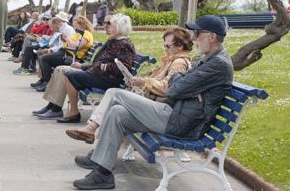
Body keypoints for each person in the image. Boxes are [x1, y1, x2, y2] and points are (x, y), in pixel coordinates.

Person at [72, 15, 233, 190]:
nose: (194, 38)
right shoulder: (208, 59)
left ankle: (92, 135)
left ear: (212, 36)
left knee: (117, 95)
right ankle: (103, 174)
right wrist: (181, 80)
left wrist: (180, 79)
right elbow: (179, 84)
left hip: (182, 123)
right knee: (117, 112)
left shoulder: (218, 64)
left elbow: (175, 89)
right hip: (175, 113)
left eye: (198, 33)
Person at [65, 27, 192, 144]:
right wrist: (138, 80)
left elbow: (168, 88)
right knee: (115, 105)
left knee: (114, 93)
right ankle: (93, 135)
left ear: (180, 46)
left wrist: (144, 82)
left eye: (168, 46)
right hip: (153, 102)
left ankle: (91, 130)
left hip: (159, 107)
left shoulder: (179, 63)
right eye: (164, 45)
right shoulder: (172, 59)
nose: (165, 49)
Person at [35, 14, 135, 122]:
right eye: (106, 23)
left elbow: (122, 67)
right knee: (60, 69)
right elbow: (98, 61)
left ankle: (71, 112)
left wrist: (100, 66)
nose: (106, 26)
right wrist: (83, 66)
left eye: (110, 24)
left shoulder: (124, 44)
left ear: (120, 28)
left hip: (108, 79)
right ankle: (53, 106)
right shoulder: (114, 41)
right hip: (98, 74)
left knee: (68, 75)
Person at [34, 15, 94, 93]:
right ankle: (43, 80)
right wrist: (65, 40)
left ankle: (47, 83)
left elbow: (77, 46)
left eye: (75, 23)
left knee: (44, 58)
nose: (74, 24)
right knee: (42, 57)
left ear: (81, 24)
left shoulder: (86, 34)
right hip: (65, 52)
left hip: (69, 56)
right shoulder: (79, 33)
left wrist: (67, 38)